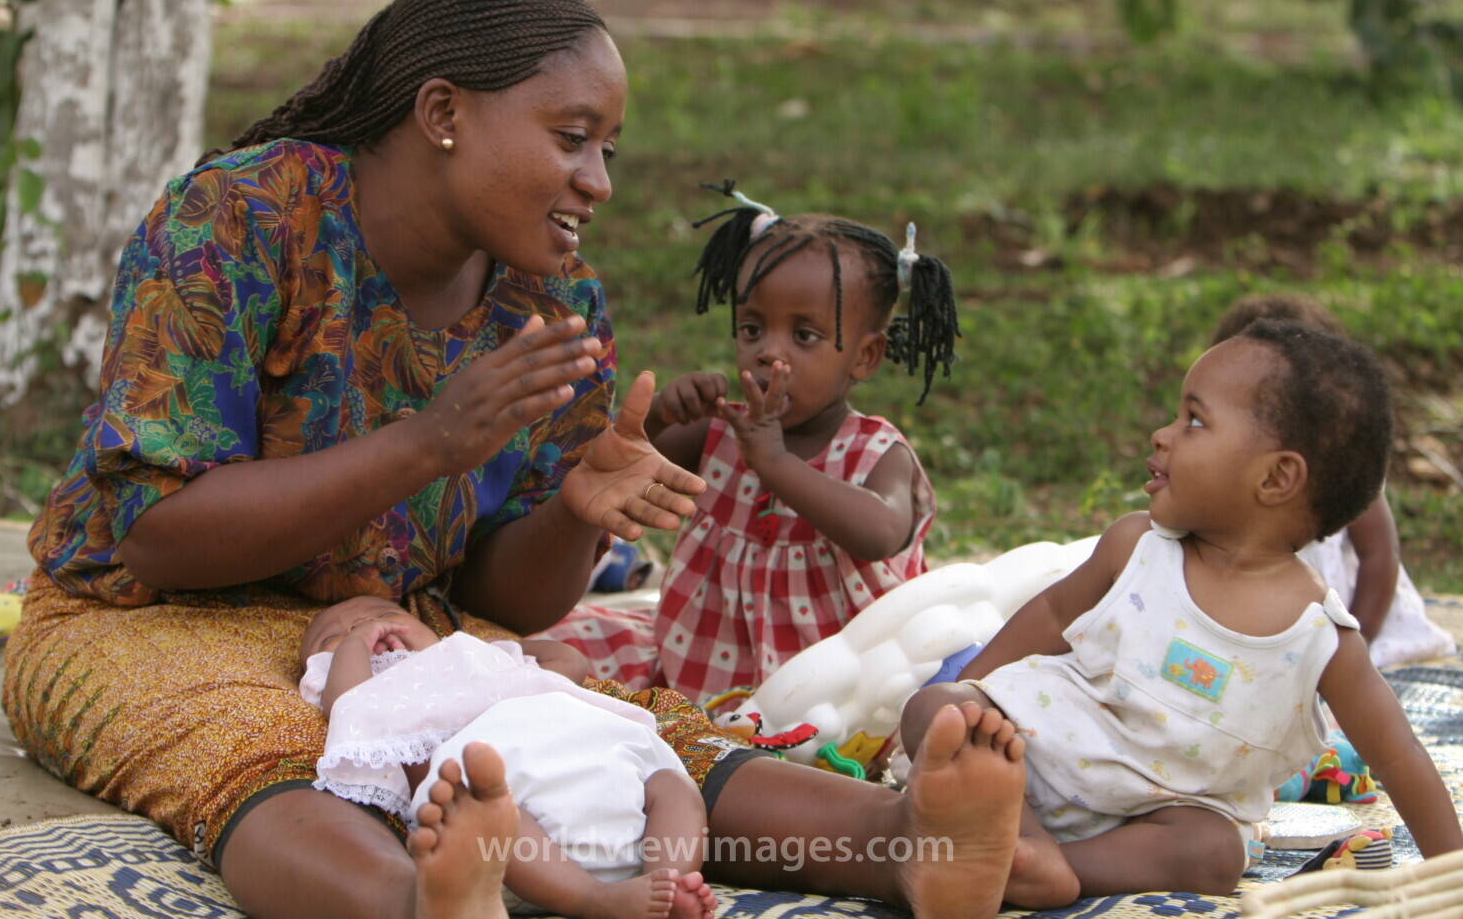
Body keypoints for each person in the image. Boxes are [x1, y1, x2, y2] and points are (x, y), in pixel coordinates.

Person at [0, 0, 1046, 919]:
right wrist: (427, 443)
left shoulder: (548, 298)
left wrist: (577, 513)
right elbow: (158, 535)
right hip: (142, 618)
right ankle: (428, 901)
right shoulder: (237, 221)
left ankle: (909, 844)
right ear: (444, 112)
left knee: (609, 729)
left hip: (403, 625)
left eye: (609, 149)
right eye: (571, 136)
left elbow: (506, 600)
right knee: (262, 744)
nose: (599, 180)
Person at [902, 319, 1463, 902]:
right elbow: (1048, 614)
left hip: (1163, 820)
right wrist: (973, 689)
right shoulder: (1137, 548)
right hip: (1031, 757)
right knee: (936, 707)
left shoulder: (1321, 639)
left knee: (1214, 855)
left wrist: (1453, 878)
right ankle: (1019, 839)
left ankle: (1046, 865)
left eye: (1194, 420)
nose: (1163, 434)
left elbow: (1399, 757)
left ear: (1275, 478)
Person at [541, 187, 956, 705]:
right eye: (752, 328)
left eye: (804, 336)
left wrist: (775, 462)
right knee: (546, 655)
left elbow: (882, 533)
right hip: (701, 670)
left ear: (866, 357)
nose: (768, 353)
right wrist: (666, 414)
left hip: (840, 690)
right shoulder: (721, 431)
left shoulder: (874, 450)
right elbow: (638, 463)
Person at [301, 596, 715, 919]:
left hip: (600, 773)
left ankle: (667, 882)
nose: (363, 624)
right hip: (507, 815)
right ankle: (595, 900)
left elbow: (569, 662)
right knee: (489, 809)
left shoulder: (481, 660)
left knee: (673, 785)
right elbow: (347, 702)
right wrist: (355, 645)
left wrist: (490, 653)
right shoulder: (370, 693)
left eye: (382, 613)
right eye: (332, 636)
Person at [1211, 293, 1455, 667]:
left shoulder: (1342, 460)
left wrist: (1359, 642)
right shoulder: (1220, 457)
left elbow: (1379, 554)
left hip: (1351, 610)